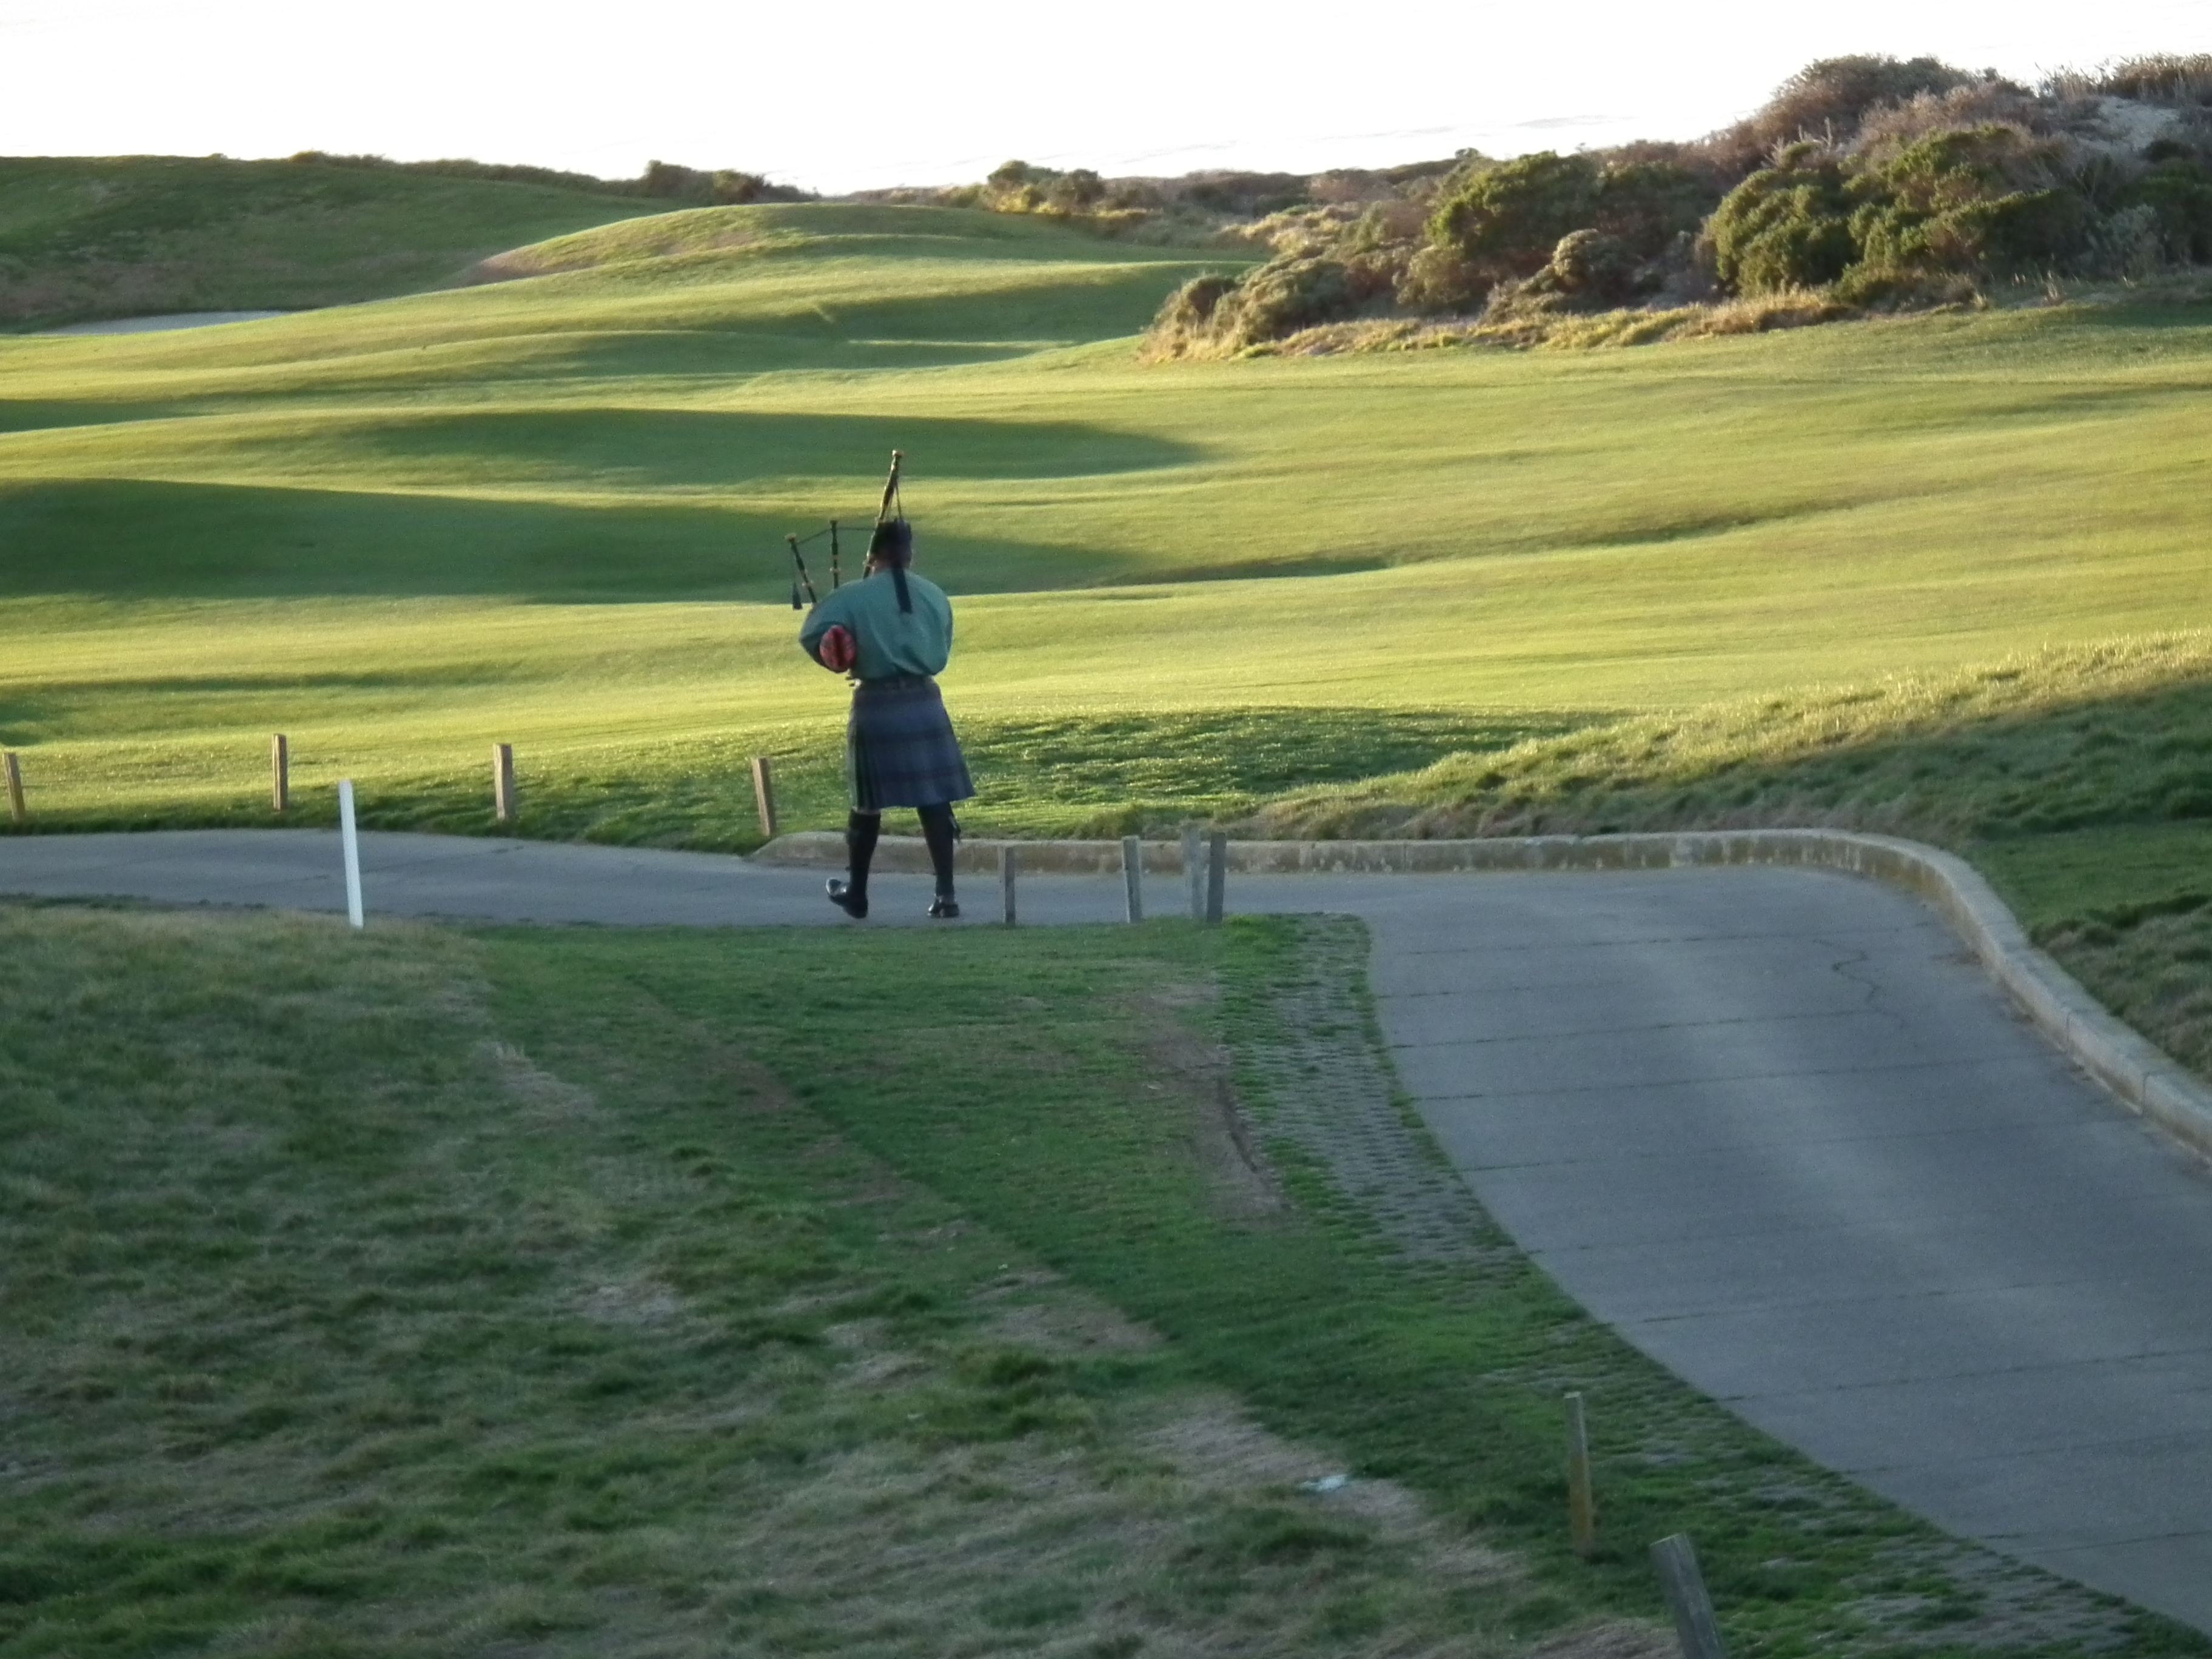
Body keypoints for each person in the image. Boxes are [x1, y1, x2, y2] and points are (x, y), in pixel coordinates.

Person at [797, 518, 974, 919]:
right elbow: (942, 643)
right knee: (934, 800)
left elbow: (816, 638)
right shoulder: (934, 594)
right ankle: (946, 896)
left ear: (871, 556)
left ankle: (857, 893)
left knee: (866, 804)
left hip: (876, 703)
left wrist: (841, 647)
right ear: (910, 555)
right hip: (925, 699)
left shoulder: (851, 597)